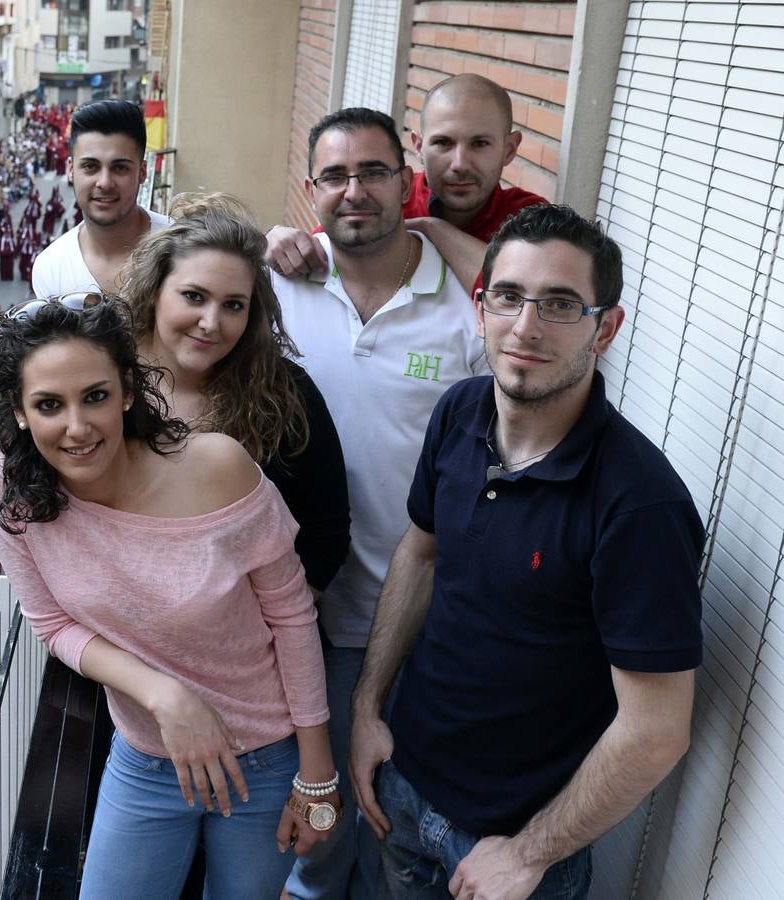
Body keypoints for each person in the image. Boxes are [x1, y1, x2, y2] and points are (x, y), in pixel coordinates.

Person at [347, 205, 703, 900]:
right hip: (402, 789)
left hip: (512, 848)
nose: (527, 326)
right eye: (508, 296)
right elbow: (419, 557)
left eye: (561, 304)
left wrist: (528, 855)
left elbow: (657, 731)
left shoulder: (638, 503)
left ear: (606, 328)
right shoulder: (460, 411)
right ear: (480, 308)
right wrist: (366, 709)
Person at [0, 295, 337, 898]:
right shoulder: (5, 482)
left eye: (95, 396)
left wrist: (317, 774)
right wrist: (162, 694)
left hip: (267, 759)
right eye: (48, 405)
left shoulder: (217, 467)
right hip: (145, 755)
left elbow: (293, 615)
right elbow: (50, 623)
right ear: (19, 413)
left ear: (128, 392)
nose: (77, 427)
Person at [268, 107, 492, 900]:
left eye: (372, 171)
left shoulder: (467, 306)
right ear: (310, 191)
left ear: (407, 182)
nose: (353, 190)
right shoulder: (272, 291)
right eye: (334, 175)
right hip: (304, 615)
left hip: (424, 617)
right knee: (318, 817)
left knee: (399, 820)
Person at [121, 197, 351, 600]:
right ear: (156, 291)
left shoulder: (284, 394)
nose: (211, 323)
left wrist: (252, 631)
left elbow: (324, 538)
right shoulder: (104, 382)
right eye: (193, 296)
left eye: (233, 305)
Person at [266, 73, 546, 292]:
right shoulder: (384, 196)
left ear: (509, 149)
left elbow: (524, 295)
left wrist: (432, 229)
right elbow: (322, 247)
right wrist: (276, 242)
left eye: (480, 144)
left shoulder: (531, 219)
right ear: (418, 146)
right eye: (443, 143)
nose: (460, 163)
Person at [31, 100, 172, 297]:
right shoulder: (51, 268)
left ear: (142, 172)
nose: (104, 183)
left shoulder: (181, 247)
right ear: (70, 170)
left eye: (120, 168)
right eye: (90, 167)